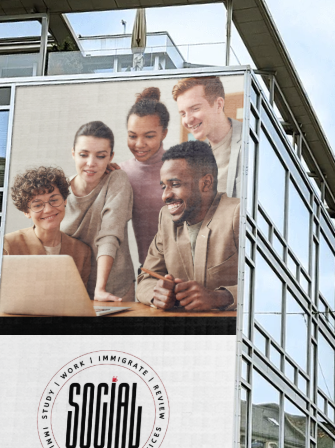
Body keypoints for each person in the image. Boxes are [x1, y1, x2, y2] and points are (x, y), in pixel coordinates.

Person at [137, 141, 239, 312]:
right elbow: (146, 277)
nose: (165, 196)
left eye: (175, 184)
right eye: (163, 186)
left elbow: (268, 284)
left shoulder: (238, 214)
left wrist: (219, 297)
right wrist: (157, 294)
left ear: (206, 183)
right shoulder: (166, 217)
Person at [62, 121, 135, 302]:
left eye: (101, 156)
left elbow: (109, 234)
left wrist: (100, 289)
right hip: (71, 289)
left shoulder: (116, 179)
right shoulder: (59, 190)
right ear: (73, 153)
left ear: (111, 157)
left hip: (114, 289)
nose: (91, 163)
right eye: (83, 155)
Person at [4, 166, 91, 287]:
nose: (48, 209)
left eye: (54, 200)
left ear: (65, 200)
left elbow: (81, 297)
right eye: (37, 205)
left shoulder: (82, 251)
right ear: (26, 212)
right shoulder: (8, 245)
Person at [120, 87, 169, 265]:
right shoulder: (121, 173)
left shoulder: (180, 166)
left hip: (187, 269)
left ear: (164, 133)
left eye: (149, 136)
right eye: (132, 136)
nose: (139, 144)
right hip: (148, 269)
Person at [172, 76, 242, 198]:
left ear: (218, 105)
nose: (187, 120)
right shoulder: (193, 158)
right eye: (183, 114)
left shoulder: (252, 141)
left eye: (195, 109)